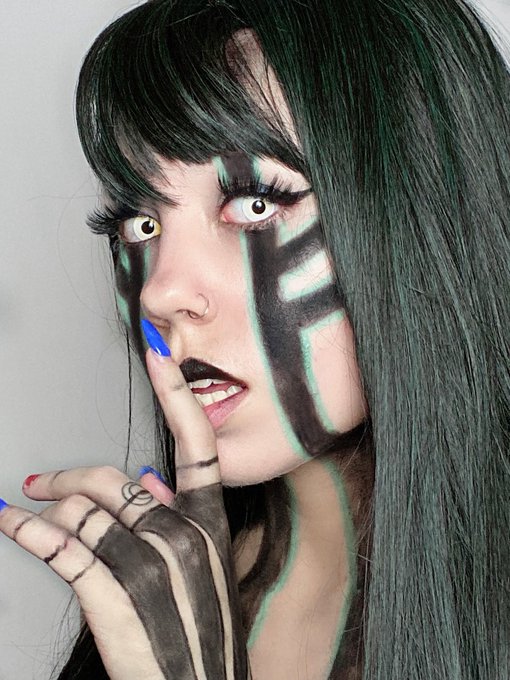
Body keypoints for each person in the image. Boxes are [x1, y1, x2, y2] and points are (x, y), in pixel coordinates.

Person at [1, 0, 509, 678]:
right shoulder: (162, 601)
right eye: (140, 225)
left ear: (427, 217)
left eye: (254, 203)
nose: (159, 293)